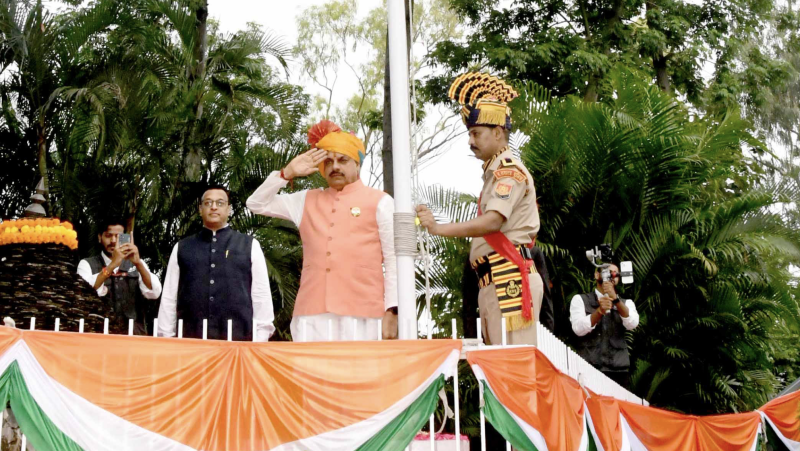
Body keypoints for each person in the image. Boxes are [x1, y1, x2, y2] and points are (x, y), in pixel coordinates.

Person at [416, 72, 543, 345]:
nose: (470, 141)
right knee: (500, 370)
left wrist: (438, 228)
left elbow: (492, 222)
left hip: (508, 276)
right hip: (495, 279)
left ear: (498, 133)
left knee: (511, 370)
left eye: (476, 133)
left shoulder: (508, 171)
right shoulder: (494, 174)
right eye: (470, 134)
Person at [246, 120, 397, 342]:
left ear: (358, 164)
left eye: (343, 160)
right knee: (310, 376)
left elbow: (393, 259)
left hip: (364, 313)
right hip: (311, 314)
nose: (335, 166)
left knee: (360, 375)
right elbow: (256, 204)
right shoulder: (306, 200)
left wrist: (392, 310)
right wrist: (286, 173)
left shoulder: (381, 202)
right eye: (328, 161)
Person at [157, 185, 275, 341]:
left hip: (239, 341)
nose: (213, 207)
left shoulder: (250, 245)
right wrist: (166, 336)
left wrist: (261, 337)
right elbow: (169, 297)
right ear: (200, 209)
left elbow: (261, 294)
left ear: (229, 209)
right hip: (190, 339)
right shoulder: (182, 247)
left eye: (220, 203)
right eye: (208, 203)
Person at [77, 219, 162, 335]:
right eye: (108, 236)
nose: (113, 241)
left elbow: (155, 292)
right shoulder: (86, 264)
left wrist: (138, 264)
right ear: (99, 237)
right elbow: (84, 293)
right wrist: (112, 265)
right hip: (98, 338)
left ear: (125, 238)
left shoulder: (138, 264)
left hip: (134, 338)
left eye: (118, 236)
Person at [569, 263, 639, 388]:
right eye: (607, 272)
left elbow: (632, 323)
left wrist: (616, 300)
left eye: (615, 273)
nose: (611, 276)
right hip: (588, 368)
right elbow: (578, 329)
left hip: (618, 370)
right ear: (597, 275)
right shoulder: (580, 299)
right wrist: (599, 311)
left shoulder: (626, 303)